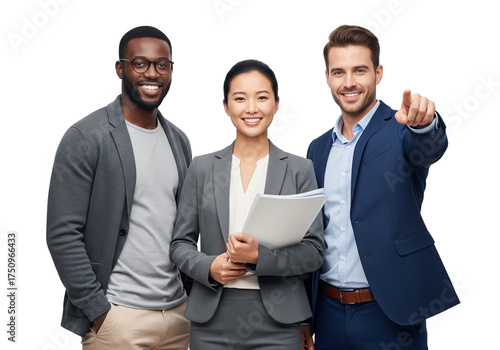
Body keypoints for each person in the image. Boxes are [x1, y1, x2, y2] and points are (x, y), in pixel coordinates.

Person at [306, 25, 460, 349]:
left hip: (391, 315)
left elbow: (430, 146)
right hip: (328, 313)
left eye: (359, 70)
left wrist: (425, 124)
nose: (349, 82)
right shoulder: (317, 149)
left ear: (377, 73)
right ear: (327, 77)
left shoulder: (401, 130)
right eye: (339, 72)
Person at [46, 26, 191, 350]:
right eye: (140, 63)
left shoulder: (179, 140)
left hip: (178, 317)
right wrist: (99, 312)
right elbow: (62, 233)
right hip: (119, 321)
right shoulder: (86, 138)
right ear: (120, 68)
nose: (152, 73)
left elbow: (182, 228)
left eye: (162, 64)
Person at [170, 59, 326, 350]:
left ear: (276, 104)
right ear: (226, 106)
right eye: (240, 98)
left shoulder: (299, 169)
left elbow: (313, 253)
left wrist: (259, 258)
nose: (251, 108)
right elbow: (180, 243)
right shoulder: (202, 169)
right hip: (211, 320)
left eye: (262, 97)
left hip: (279, 321)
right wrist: (209, 266)